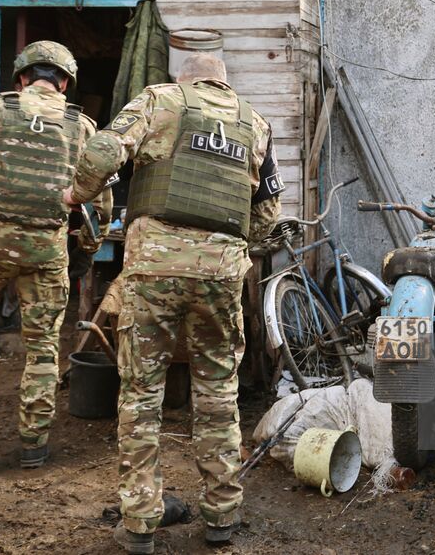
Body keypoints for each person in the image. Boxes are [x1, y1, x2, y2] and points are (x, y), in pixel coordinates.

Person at [65, 40, 283, 555]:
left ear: (187, 81)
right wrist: (227, 249)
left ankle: (140, 523)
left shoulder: (160, 100)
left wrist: (77, 194)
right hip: (222, 276)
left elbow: (101, 151)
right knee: (216, 392)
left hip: (154, 271)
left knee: (142, 393)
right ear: (225, 86)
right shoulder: (256, 123)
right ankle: (221, 517)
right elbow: (268, 217)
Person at [0, 40, 111, 467]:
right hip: (46, 249)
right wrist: (86, 250)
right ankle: (34, 443)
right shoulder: (82, 128)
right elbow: (99, 200)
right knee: (44, 345)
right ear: (64, 82)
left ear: (23, 78)